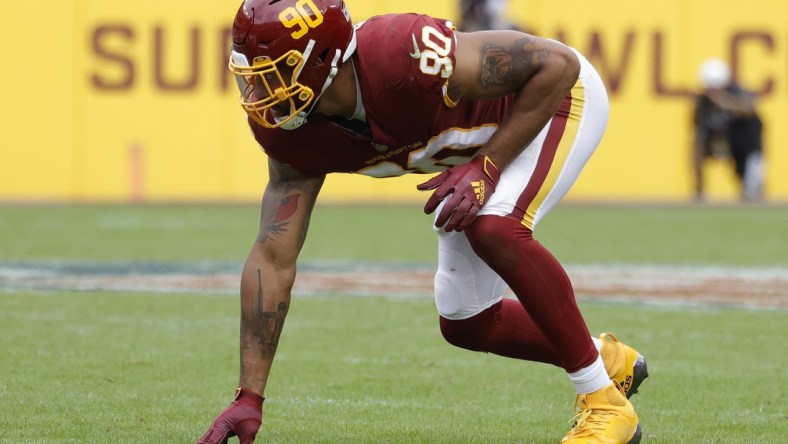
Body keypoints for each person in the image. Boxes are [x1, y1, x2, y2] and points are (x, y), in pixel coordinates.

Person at [198, 1, 648, 443]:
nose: (258, 94)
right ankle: (607, 360)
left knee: (493, 226)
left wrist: (487, 169)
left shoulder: (402, 53)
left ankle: (604, 404)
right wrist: (249, 397)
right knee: (467, 319)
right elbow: (273, 258)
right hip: (480, 154)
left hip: (555, 103)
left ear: (321, 61)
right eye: (252, 76)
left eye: (272, 73)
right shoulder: (292, 133)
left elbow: (557, 66)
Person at [692, 58, 765, 202]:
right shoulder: (703, 102)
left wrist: (726, 102)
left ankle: (752, 192)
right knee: (695, 145)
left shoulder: (737, 92)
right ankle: (699, 191)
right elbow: (698, 129)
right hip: (718, 140)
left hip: (744, 144)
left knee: (751, 188)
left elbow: (749, 110)